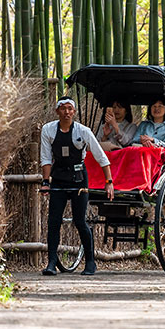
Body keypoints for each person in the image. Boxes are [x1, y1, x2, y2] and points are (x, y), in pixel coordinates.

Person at [39, 97, 114, 276]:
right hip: (58, 177)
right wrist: (45, 182)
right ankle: (51, 262)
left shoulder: (82, 131)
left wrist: (109, 182)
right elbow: (46, 158)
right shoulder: (48, 129)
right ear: (57, 111)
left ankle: (90, 262)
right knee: (53, 221)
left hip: (79, 178)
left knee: (80, 221)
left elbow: (100, 156)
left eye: (70, 109)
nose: (66, 112)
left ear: (74, 112)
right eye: (63, 108)